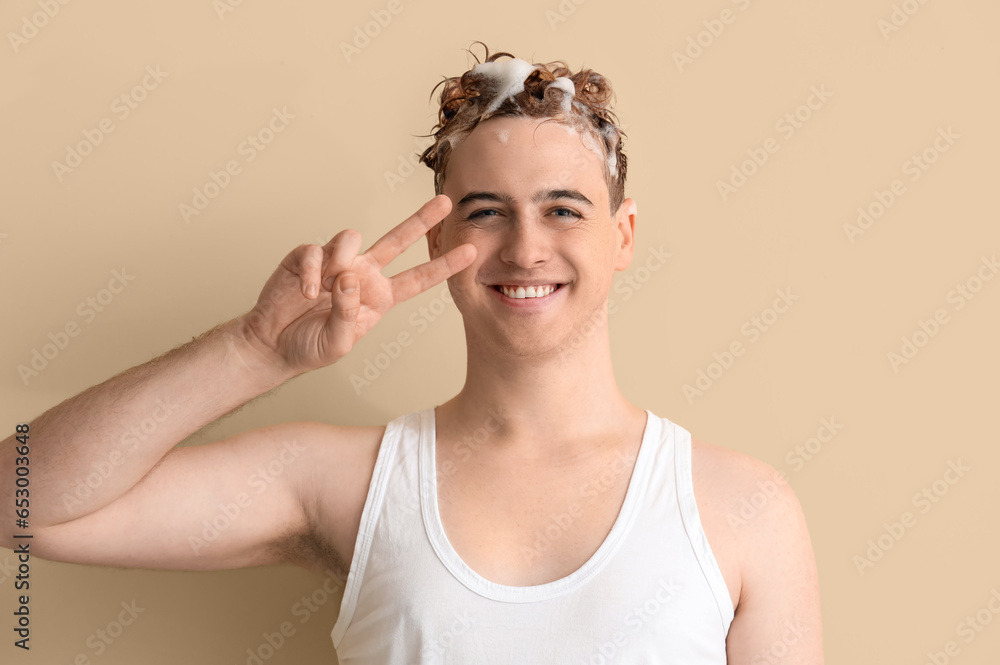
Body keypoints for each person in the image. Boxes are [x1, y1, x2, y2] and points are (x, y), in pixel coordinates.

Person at [1, 43, 823, 663]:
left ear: (625, 235)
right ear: (443, 233)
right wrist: (255, 351)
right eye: (487, 212)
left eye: (565, 209)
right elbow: (20, 499)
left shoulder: (743, 507)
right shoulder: (350, 484)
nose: (526, 249)